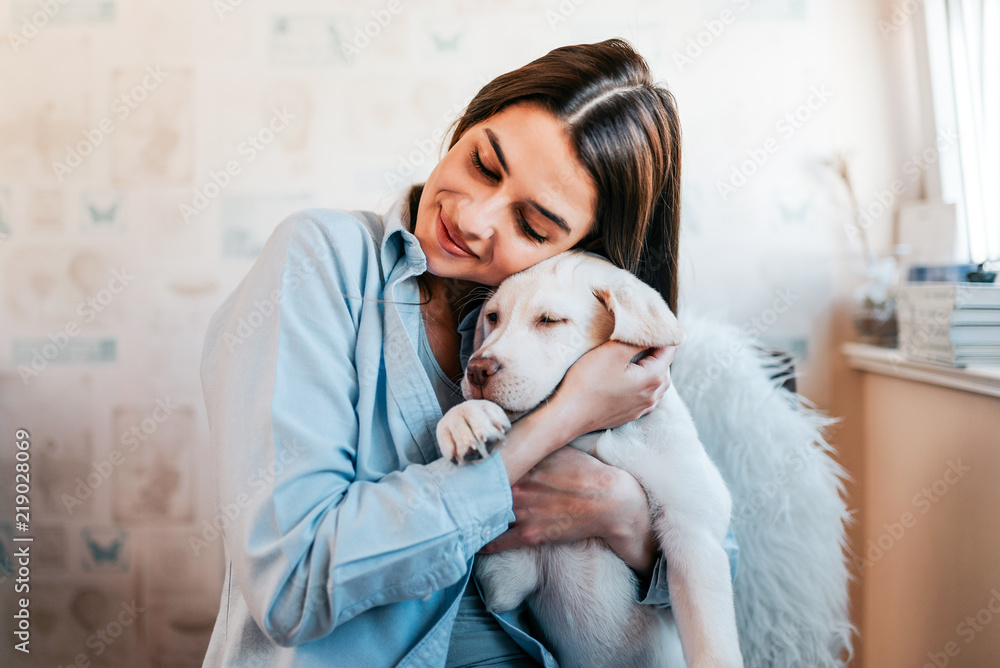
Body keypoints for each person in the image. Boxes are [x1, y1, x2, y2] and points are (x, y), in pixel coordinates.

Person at [199, 38, 738, 667]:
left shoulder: (582, 326)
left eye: (532, 227)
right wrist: (557, 424)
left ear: (581, 251)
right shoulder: (321, 262)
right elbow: (292, 583)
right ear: (466, 126)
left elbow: (716, 559)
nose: (475, 218)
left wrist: (625, 518)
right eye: (483, 163)